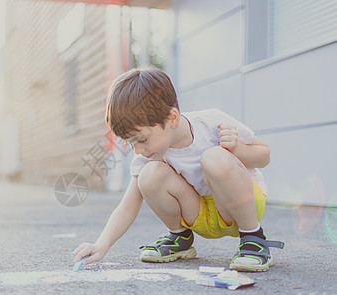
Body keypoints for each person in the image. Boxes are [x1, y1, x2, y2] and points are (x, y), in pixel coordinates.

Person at [72, 66, 284, 272]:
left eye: (142, 139)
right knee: (149, 175)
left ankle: (254, 238)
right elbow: (127, 207)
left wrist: (236, 148)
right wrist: (101, 244)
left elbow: (264, 156)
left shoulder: (212, 123)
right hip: (202, 215)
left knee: (214, 157)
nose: (137, 150)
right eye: (130, 143)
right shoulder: (149, 154)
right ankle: (179, 237)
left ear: (172, 118)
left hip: (242, 206)